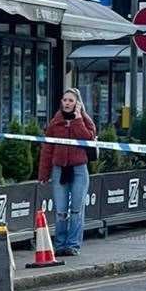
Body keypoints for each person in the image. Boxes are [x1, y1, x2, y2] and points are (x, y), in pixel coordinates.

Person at [38, 88, 98, 257]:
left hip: (79, 170)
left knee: (77, 210)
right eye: (65, 100)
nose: (67, 103)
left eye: (71, 100)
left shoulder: (85, 121)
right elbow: (47, 150)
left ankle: (73, 245)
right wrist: (44, 173)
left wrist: (77, 119)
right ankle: (60, 245)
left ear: (77, 103)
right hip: (59, 170)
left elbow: (87, 139)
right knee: (61, 210)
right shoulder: (55, 122)